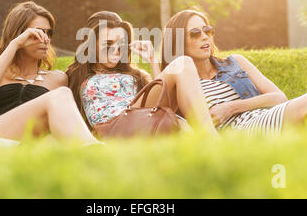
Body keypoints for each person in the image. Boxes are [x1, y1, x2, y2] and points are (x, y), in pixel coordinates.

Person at [161, 9, 307, 134]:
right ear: (177, 41)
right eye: (194, 33)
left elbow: (278, 97)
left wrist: (231, 107)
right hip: (236, 134)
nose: (205, 36)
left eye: (207, 30)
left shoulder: (235, 62)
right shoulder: (184, 83)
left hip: (263, 118)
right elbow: (161, 111)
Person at [65, 11, 217, 135]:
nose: (116, 49)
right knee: (183, 63)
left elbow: (163, 100)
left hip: (140, 121)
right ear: (91, 46)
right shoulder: (75, 75)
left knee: (184, 65)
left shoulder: (136, 75)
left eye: (121, 44)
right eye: (108, 44)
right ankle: (212, 141)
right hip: (113, 129)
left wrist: (152, 59)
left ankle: (210, 142)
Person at [0, 1, 100, 145]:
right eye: (38, 33)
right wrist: (15, 44)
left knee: (54, 140)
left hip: (32, 141)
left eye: (49, 33)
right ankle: (93, 148)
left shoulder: (58, 78)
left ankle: (91, 151)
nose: (46, 39)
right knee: (61, 94)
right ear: (19, 35)